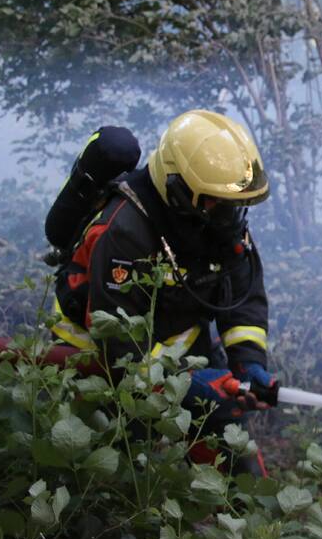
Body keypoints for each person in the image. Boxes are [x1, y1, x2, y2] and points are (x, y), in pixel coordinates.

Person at [47, 111, 276, 476]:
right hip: (95, 358)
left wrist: (248, 362)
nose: (226, 215)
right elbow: (119, 343)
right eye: (216, 202)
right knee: (110, 467)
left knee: (233, 455)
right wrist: (184, 385)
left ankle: (249, 521)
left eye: (234, 204)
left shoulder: (221, 222)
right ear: (177, 187)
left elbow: (243, 297)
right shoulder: (125, 230)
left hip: (181, 346)